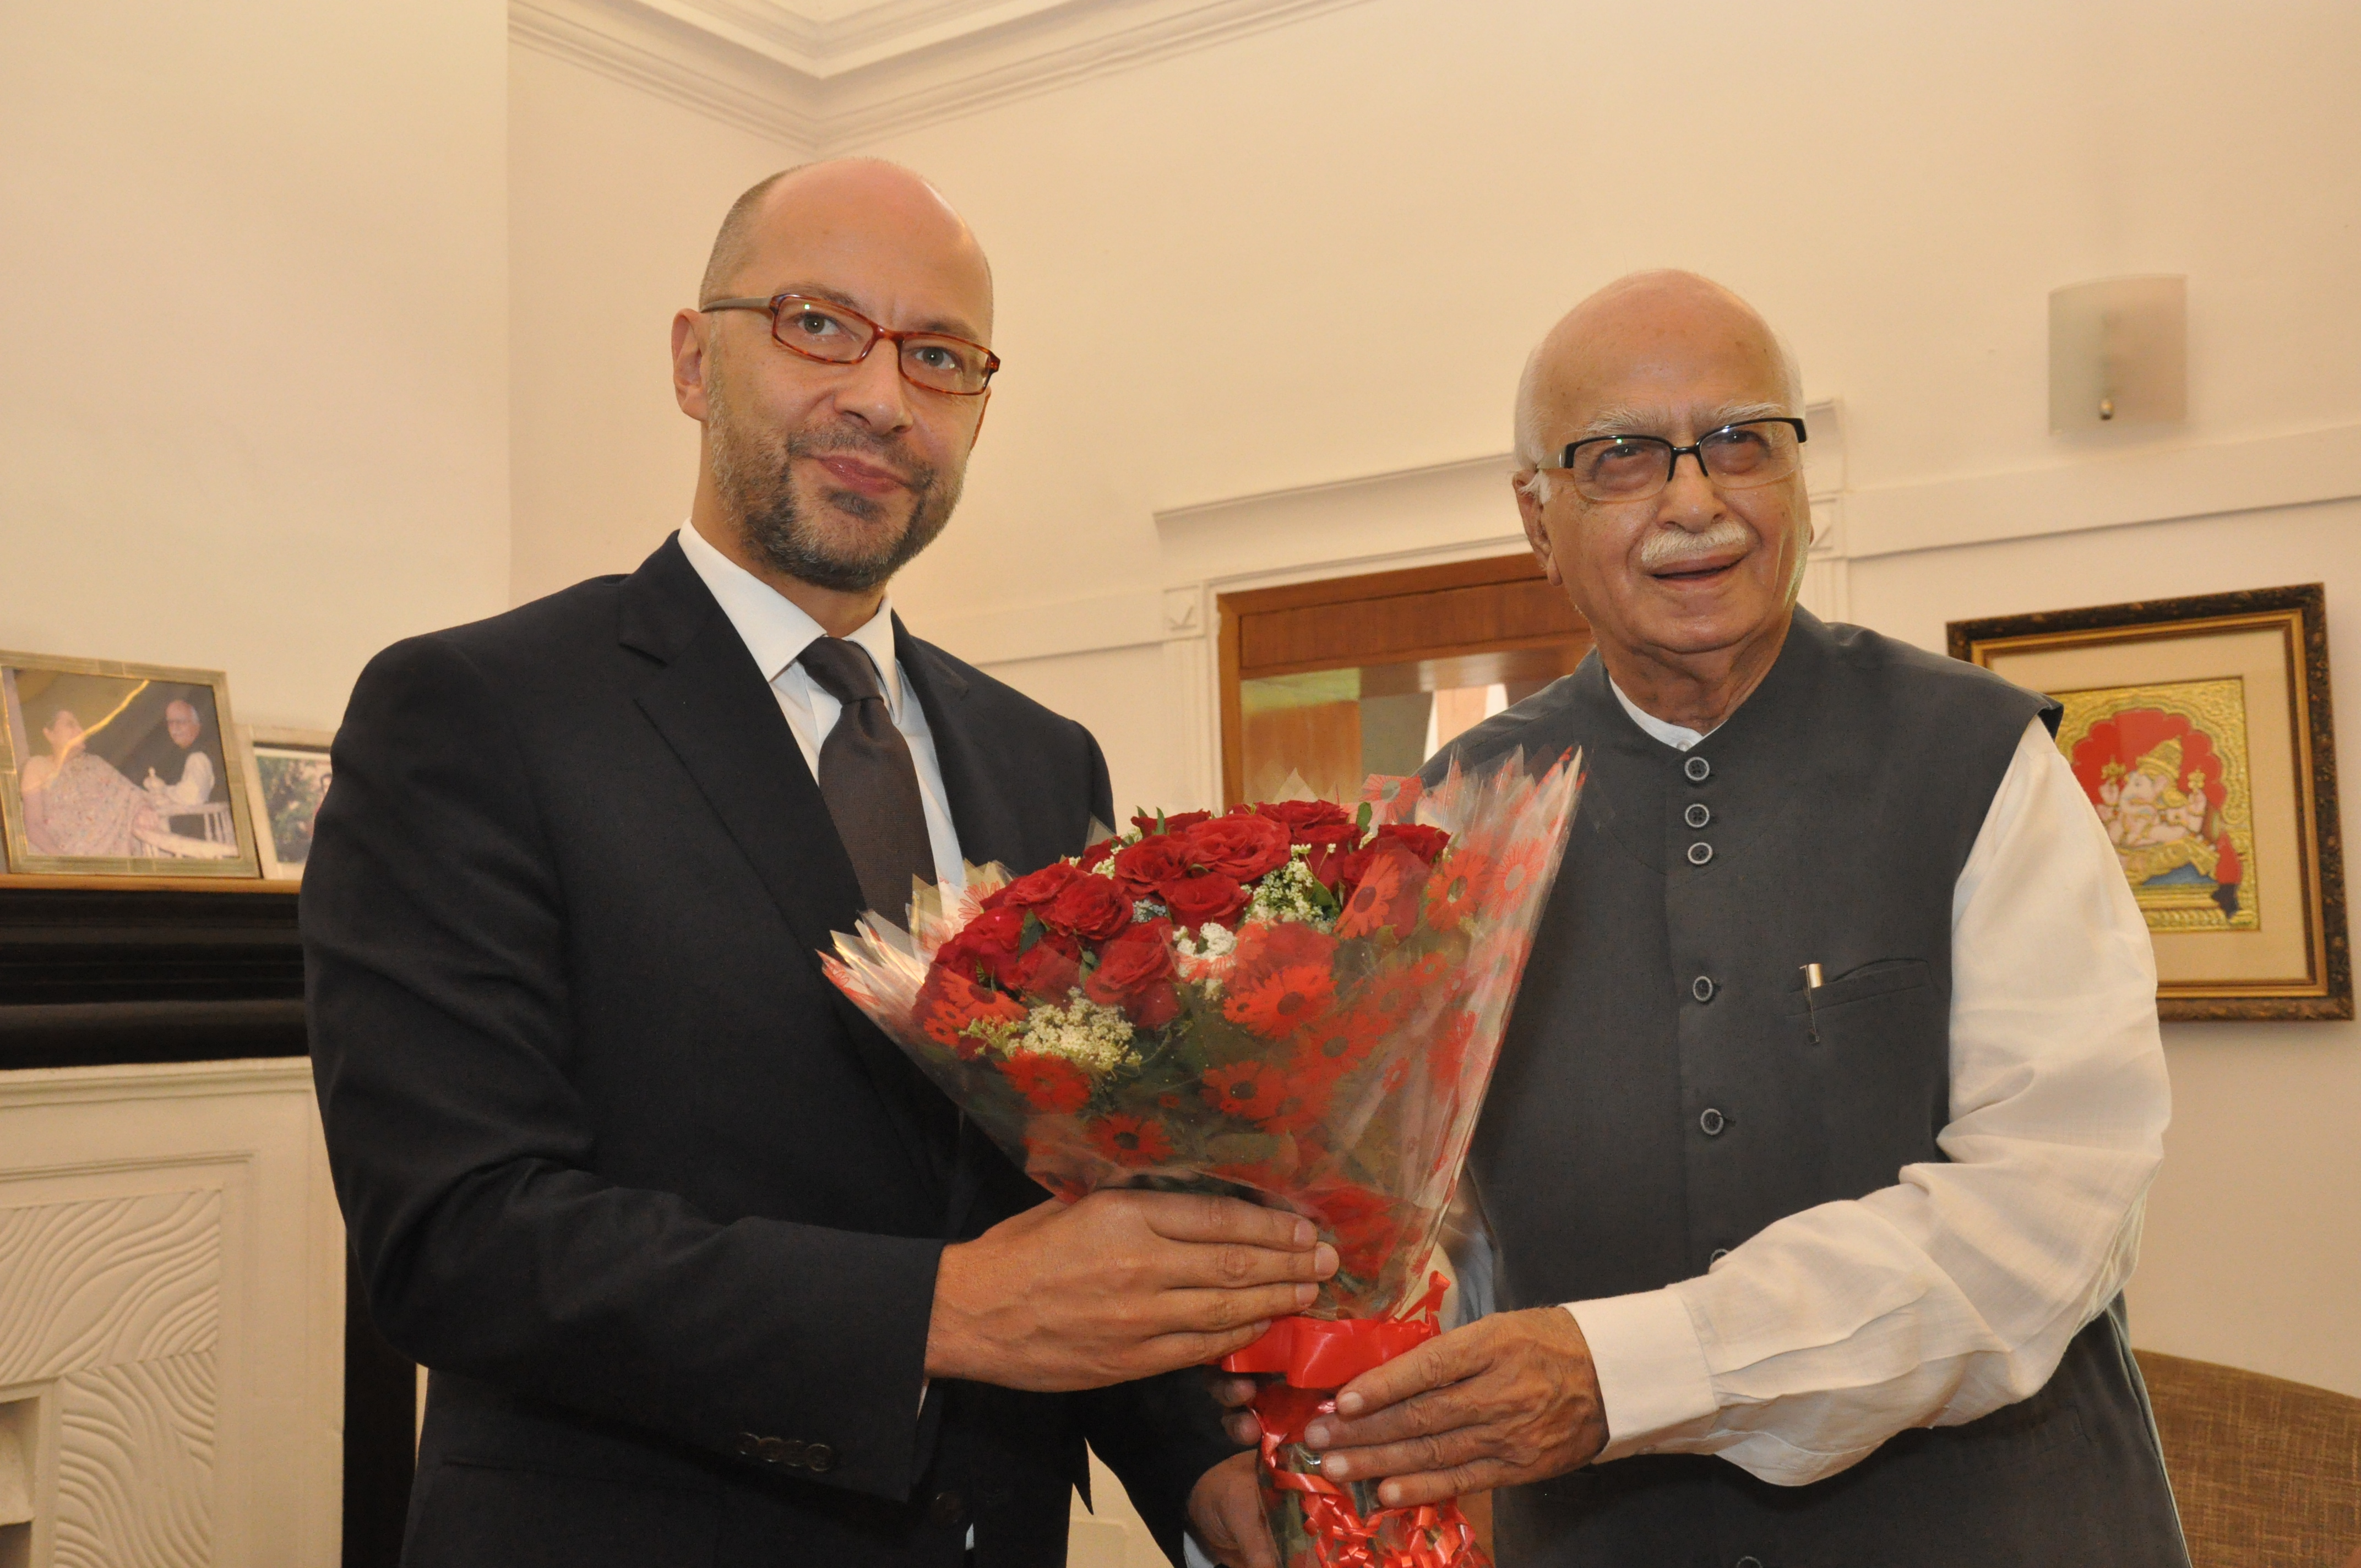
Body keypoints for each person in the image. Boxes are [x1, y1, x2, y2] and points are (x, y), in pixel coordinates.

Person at [303, 159, 1315, 1568]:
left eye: (940, 356)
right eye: (817, 323)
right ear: (688, 358)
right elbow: (456, 1235)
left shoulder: (1041, 758)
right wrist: (938, 1309)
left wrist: (1200, 1464)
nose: (884, 400)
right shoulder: (476, 711)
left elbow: (1071, 1203)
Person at [1210, 271, 2187, 1565]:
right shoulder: (1454, 814)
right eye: (1619, 455)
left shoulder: (1977, 756)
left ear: (1798, 478)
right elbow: (1413, 1217)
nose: (1692, 496)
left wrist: (1624, 1368)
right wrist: (1290, 1364)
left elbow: (2046, 1206)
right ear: (1535, 517)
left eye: (1739, 439)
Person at [19, 706, 154, 857]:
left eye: (80, 726)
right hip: (56, 860)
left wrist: (143, 809)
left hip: (100, 862)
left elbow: (130, 795)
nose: (80, 730)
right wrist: (63, 860)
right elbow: (33, 824)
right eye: (71, 724)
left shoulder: (96, 765)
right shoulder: (37, 766)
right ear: (50, 735)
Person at [140, 698, 220, 834]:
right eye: (171, 723)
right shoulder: (179, 753)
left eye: (181, 722)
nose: (175, 728)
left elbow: (193, 795)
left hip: (203, 839)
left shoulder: (198, 756)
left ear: (197, 725)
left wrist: (164, 790)